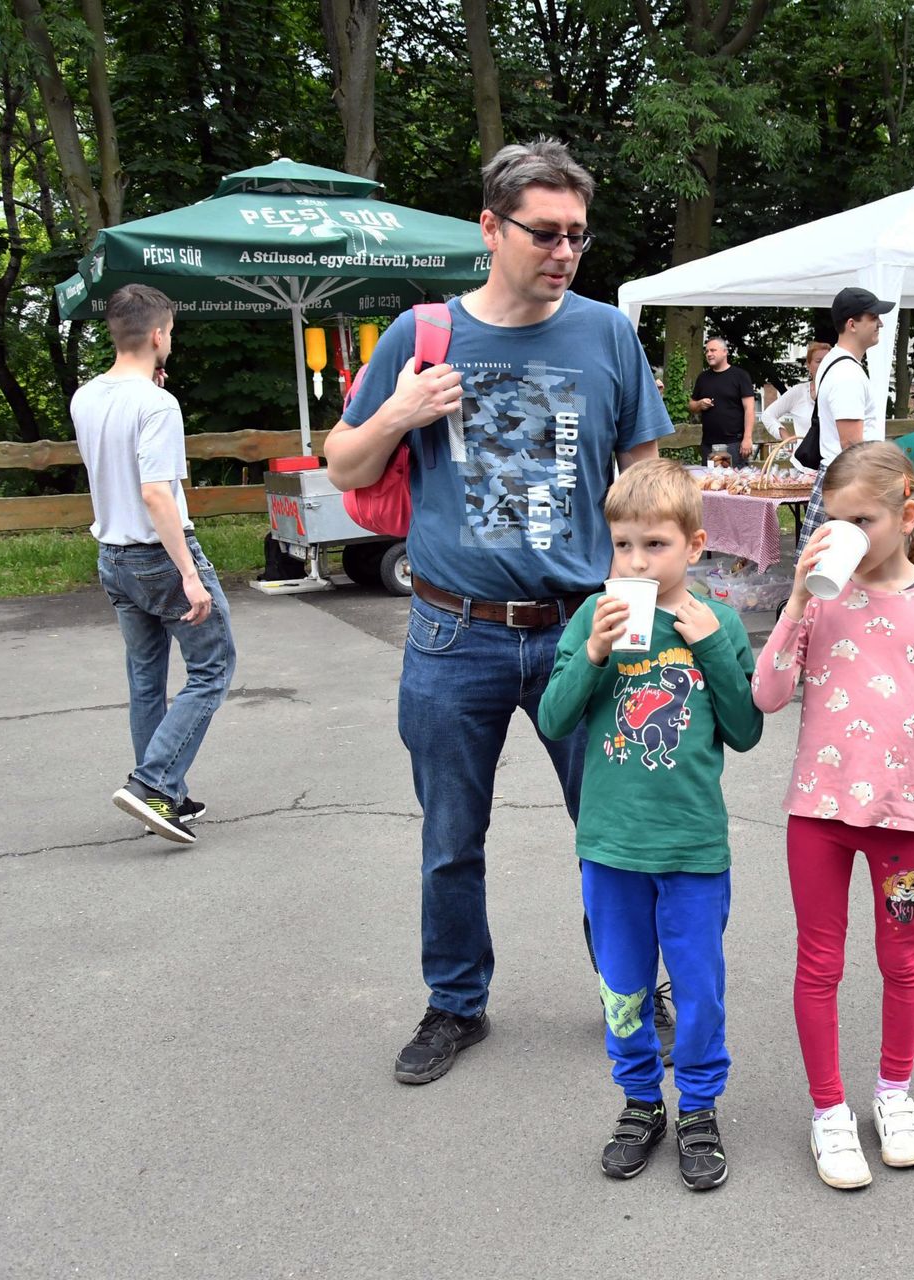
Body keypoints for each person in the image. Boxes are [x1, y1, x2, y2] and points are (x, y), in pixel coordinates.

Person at [326, 138, 672, 1086]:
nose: (564, 252)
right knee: (450, 839)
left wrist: (647, 610)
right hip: (453, 631)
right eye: (544, 232)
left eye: (578, 235)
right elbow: (345, 463)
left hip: (582, 627)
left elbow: (645, 488)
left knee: (612, 830)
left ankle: (631, 989)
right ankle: (455, 1003)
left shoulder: (607, 335)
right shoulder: (421, 334)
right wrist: (398, 413)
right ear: (490, 227)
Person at [752, 442, 914, 1191]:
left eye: (862, 521)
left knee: (902, 958)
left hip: (905, 827)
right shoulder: (820, 600)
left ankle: (893, 1093)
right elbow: (767, 696)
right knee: (819, 963)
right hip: (817, 817)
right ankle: (829, 1111)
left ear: (907, 515)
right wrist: (795, 600)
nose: (844, 534)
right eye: (831, 519)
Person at [536, 458, 761, 1191]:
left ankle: (697, 1107)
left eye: (655, 545)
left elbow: (745, 729)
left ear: (694, 546)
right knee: (624, 987)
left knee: (698, 990)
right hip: (612, 847)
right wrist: (594, 652)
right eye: (623, 545)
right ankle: (640, 1102)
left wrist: (712, 646)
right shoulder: (592, 616)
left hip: (692, 847)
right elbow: (553, 718)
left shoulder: (719, 622)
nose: (636, 562)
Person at [73, 283, 237, 846]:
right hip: (159, 556)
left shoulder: (85, 397)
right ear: (159, 334)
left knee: (146, 680)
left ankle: (164, 796)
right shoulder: (158, 405)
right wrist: (190, 574)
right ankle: (152, 786)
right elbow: (155, 494)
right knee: (213, 668)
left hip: (112, 557)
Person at [804, 288, 894, 532]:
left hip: (840, 482)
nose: (880, 323)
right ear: (852, 324)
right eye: (873, 317)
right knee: (842, 556)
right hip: (849, 484)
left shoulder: (834, 361)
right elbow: (852, 445)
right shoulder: (847, 374)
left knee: (824, 555)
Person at [759, 340, 832, 463]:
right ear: (808, 365)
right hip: (804, 465)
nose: (823, 365)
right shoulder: (799, 392)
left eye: (828, 361)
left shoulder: (841, 392)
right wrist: (785, 435)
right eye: (818, 361)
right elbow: (768, 415)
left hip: (833, 463)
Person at [688, 337, 756, 463]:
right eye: (707, 351)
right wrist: (699, 404)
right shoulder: (703, 378)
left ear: (725, 352)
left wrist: (747, 438)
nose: (709, 354)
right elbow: (691, 405)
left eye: (713, 350)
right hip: (708, 444)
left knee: (734, 477)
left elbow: (750, 408)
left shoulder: (740, 376)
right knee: (709, 476)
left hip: (734, 444)